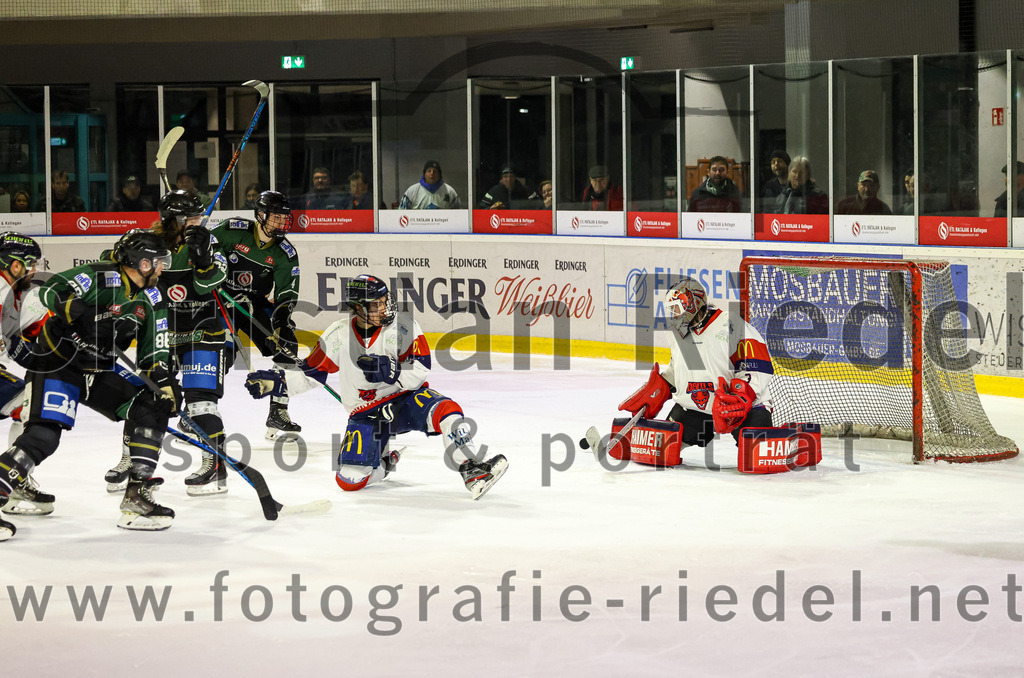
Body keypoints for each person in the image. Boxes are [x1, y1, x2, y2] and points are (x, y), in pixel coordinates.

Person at [243, 274, 508, 499]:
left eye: (385, 302)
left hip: (404, 399)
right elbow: (312, 374)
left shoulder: (404, 326)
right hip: (365, 412)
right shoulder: (337, 334)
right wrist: (279, 383)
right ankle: (385, 462)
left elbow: (421, 367)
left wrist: (394, 373)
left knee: (447, 410)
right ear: (358, 308)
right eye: (376, 305)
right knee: (349, 481)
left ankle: (472, 469)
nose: (384, 309)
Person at [0, 230, 180, 540]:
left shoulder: (153, 296)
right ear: (142, 262)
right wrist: (76, 311)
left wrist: (164, 382)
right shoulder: (101, 276)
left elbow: (154, 351)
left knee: (150, 405)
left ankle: (136, 497)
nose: (163, 268)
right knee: (44, 437)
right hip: (58, 363)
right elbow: (51, 289)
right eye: (159, 262)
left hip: (99, 368)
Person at [103, 191, 230, 496]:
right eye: (194, 217)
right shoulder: (150, 244)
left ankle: (214, 465)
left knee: (201, 401)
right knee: (148, 399)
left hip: (204, 332)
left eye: (201, 217)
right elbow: (117, 264)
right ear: (175, 220)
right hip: (161, 334)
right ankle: (131, 462)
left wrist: (202, 258)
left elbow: (211, 282)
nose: (200, 222)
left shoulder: (207, 242)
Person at [603, 277, 774, 465]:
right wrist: (662, 387)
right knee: (662, 451)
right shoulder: (682, 333)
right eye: (671, 310)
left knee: (757, 456)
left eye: (676, 308)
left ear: (692, 304)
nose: (673, 314)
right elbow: (684, 369)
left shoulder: (730, 324)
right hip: (695, 408)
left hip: (741, 410)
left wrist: (741, 396)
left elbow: (756, 364)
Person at [210, 190, 302, 440]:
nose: (282, 223)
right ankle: (200, 412)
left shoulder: (285, 253)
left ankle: (278, 412)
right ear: (260, 215)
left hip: (254, 304)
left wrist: (282, 324)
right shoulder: (232, 230)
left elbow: (286, 296)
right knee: (222, 354)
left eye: (285, 218)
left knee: (288, 346)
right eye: (276, 218)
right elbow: (206, 248)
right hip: (220, 299)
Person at [0, 234, 52, 522]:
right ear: (15, 265)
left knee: (27, 406)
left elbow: (39, 330)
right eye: (30, 264)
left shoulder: (18, 293)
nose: (34, 270)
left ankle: (12, 479)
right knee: (28, 404)